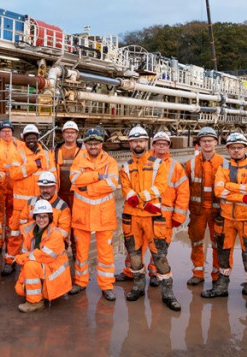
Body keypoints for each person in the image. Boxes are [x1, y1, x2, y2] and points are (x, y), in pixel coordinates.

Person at [118, 126, 180, 310]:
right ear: (130, 144)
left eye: (141, 141)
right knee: (135, 255)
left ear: (147, 143)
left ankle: (168, 293)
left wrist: (140, 198)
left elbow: (160, 187)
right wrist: (143, 202)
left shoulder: (158, 164)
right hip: (132, 218)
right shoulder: (125, 167)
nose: (138, 144)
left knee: (160, 256)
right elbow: (126, 190)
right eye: (135, 141)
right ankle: (138, 287)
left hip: (153, 219)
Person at [203, 132, 247, 313]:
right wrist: (243, 195)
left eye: (239, 147)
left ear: (246, 148)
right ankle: (221, 286)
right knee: (223, 253)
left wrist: (230, 187)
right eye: (232, 148)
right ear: (228, 149)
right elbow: (218, 191)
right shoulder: (223, 166)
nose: (236, 151)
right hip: (226, 218)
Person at [69, 126, 120, 301]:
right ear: (86, 144)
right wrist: (98, 176)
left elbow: (112, 184)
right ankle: (80, 282)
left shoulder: (110, 162)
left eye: (96, 143)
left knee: (105, 253)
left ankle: (106, 286)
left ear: (101, 144)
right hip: (82, 215)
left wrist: (88, 187)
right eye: (90, 143)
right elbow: (74, 180)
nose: (93, 146)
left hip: (104, 216)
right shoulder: (79, 160)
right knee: (82, 253)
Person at [3, 124, 52, 275]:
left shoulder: (46, 155)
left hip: (39, 205)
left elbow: (52, 177)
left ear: (37, 138)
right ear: (24, 138)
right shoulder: (17, 153)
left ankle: (33, 261)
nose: (31, 139)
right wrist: (34, 164)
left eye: (34, 137)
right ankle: (9, 261)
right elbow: (14, 174)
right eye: (28, 137)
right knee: (15, 235)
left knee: (37, 235)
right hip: (20, 205)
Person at [185, 126, 226, 287]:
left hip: (217, 212)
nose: (207, 144)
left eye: (210, 140)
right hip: (198, 211)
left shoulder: (224, 163)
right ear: (199, 143)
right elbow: (184, 188)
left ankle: (217, 274)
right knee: (196, 242)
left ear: (216, 142)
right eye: (204, 141)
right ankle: (198, 272)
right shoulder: (191, 164)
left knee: (219, 244)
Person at [15, 199, 72, 313]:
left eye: (45, 216)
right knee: (20, 289)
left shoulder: (55, 234)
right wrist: (22, 278)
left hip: (54, 271)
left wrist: (24, 258)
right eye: (39, 216)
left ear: (50, 217)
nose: (41, 220)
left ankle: (35, 302)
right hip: (43, 267)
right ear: (35, 217)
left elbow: (44, 256)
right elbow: (26, 254)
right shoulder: (29, 231)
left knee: (30, 266)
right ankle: (38, 291)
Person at [0, 120, 26, 226]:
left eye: (9, 131)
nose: (7, 133)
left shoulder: (20, 145)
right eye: (4, 131)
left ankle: (10, 240)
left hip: (14, 186)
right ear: (0, 132)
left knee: (12, 214)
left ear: (12, 132)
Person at [23, 170, 71, 241]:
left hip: (54, 243)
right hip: (33, 240)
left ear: (55, 187)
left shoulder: (62, 207)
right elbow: (22, 224)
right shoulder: (31, 203)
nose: (45, 190)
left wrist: (45, 238)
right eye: (42, 187)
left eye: (48, 187)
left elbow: (64, 232)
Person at [54, 120, 82, 207]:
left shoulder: (82, 151)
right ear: (63, 134)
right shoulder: (56, 150)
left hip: (77, 193)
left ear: (76, 135)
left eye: (72, 132)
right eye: (67, 132)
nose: (70, 135)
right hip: (60, 192)